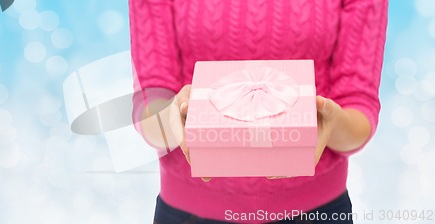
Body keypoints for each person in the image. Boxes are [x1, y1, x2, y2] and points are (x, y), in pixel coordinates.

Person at [129, 0, 388, 223]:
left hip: (318, 211)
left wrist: (332, 121)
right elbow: (150, 107)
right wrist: (174, 117)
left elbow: (359, 108)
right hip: (187, 213)